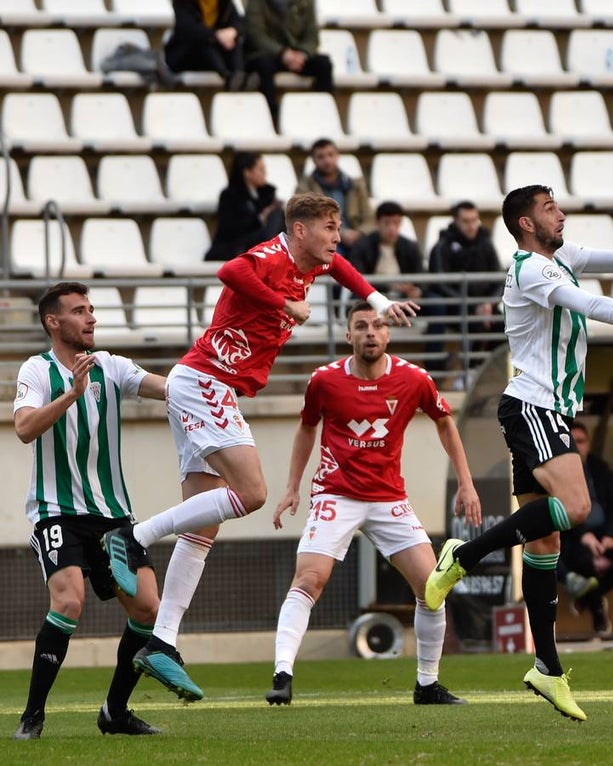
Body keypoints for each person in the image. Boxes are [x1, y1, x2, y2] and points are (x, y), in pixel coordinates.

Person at [100, 193, 419, 704]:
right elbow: (230, 271)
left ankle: (161, 640)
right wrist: (282, 304)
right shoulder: (273, 258)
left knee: (201, 527)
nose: (338, 237)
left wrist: (380, 303)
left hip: (202, 384)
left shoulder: (311, 264)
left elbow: (342, 269)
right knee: (250, 492)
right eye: (330, 227)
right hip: (207, 381)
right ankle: (133, 536)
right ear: (299, 230)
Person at [423, 185, 613, 722]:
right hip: (534, 406)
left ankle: (546, 667)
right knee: (576, 509)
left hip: (547, 409)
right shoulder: (531, 269)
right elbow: (587, 303)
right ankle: (463, 555)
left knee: (543, 542)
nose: (560, 213)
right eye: (549, 207)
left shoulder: (561, 257)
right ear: (526, 223)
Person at [266, 301, 481, 706]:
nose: (370, 332)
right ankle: (282, 675)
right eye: (361, 325)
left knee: (432, 588)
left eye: (377, 325)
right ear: (348, 335)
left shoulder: (414, 379)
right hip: (336, 493)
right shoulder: (324, 381)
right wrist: (293, 486)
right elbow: (306, 428)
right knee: (309, 579)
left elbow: (444, 422)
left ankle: (427, 685)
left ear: (388, 334)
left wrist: (466, 484)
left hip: (388, 498)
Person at [12, 282, 167, 740]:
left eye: (92, 309)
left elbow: (165, 386)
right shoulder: (36, 370)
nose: (92, 318)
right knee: (69, 600)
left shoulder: (111, 366)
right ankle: (32, 716)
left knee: (147, 607)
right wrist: (70, 396)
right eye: (80, 311)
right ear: (53, 323)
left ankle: (114, 712)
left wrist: (208, 382)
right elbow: (23, 428)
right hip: (56, 510)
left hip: (113, 513)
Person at [560, 421, 613, 636]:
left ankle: (589, 597)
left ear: (588, 444)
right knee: (583, 560)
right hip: (575, 535)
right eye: (571, 442)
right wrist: (583, 533)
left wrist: (611, 535)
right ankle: (597, 609)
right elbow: (557, 506)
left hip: (604, 534)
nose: (577, 446)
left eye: (581, 441)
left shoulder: (598, 466)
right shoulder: (557, 470)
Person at [427, 201, 504, 376]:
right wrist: (471, 306)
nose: (471, 226)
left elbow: (499, 279)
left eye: (474, 220)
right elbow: (440, 283)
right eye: (466, 221)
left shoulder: (486, 244)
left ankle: (483, 370)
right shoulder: (442, 247)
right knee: (475, 325)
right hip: (455, 307)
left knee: (505, 329)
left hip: (485, 307)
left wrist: (489, 304)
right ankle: (468, 372)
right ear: (455, 221)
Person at [243, 0, 333, 123]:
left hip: (297, 54)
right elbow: (256, 35)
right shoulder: (258, 3)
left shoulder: (306, 2)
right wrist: (282, 53)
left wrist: (303, 53)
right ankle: (271, 116)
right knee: (264, 66)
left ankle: (323, 113)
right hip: (268, 54)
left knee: (324, 64)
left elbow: (312, 36)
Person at [296, 139, 373, 258]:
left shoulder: (355, 185)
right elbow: (307, 220)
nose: (327, 160)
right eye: (321, 157)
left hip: (355, 240)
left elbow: (369, 219)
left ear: (337, 156)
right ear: (314, 160)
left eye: (330, 155)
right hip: (323, 241)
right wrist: (340, 233)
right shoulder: (304, 188)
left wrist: (358, 233)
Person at [206, 152, 284, 262]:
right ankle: (269, 254)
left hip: (255, 245)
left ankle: (271, 254)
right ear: (247, 172)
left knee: (280, 215)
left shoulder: (267, 195)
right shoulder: (230, 196)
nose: (265, 174)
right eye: (261, 170)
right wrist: (260, 218)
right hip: (234, 247)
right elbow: (229, 228)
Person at [346, 201, 425, 303]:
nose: (391, 228)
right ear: (377, 223)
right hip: (373, 294)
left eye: (396, 223)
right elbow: (358, 278)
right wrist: (389, 286)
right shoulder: (362, 246)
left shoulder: (410, 246)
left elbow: (421, 275)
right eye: (387, 223)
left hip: (404, 296)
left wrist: (417, 290)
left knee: (433, 302)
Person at [164, 0, 245, 89]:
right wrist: (216, 35)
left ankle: (239, 75)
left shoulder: (224, 3)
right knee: (204, 43)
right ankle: (228, 77)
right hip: (185, 55)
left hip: (216, 53)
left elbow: (239, 22)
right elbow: (188, 29)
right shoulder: (183, 3)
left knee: (234, 41)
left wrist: (233, 31)